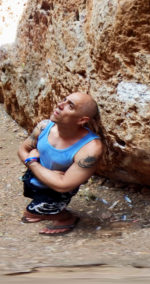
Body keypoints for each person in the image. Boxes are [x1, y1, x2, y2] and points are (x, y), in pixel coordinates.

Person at [18, 92, 103, 235]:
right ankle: (50, 209)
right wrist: (40, 169)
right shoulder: (44, 126)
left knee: (30, 213)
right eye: (64, 99)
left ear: (82, 120)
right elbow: (22, 150)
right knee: (32, 194)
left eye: (70, 106)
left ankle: (66, 218)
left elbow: (64, 185)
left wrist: (32, 162)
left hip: (56, 191)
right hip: (36, 178)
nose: (60, 105)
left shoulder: (91, 148)